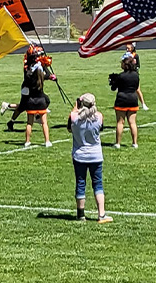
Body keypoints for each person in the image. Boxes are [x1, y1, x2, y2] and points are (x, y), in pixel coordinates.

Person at [68, 93, 112, 223]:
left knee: (80, 183)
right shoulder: (99, 117)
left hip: (79, 155)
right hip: (96, 155)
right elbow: (99, 126)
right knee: (98, 184)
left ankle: (80, 214)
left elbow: (70, 128)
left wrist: (75, 108)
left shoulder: (74, 117)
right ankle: (101, 214)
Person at [1, 44, 56, 131]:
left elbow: (45, 75)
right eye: (38, 55)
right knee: (23, 107)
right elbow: (36, 77)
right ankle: (12, 121)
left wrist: (47, 70)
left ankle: (35, 116)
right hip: (28, 89)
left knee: (45, 101)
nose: (40, 56)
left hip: (35, 89)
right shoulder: (29, 67)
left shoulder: (37, 64)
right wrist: (47, 74)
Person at [109, 52, 142, 149]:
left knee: (120, 122)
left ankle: (118, 143)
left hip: (121, 99)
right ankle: (134, 143)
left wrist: (113, 81)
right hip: (133, 99)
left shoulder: (121, 76)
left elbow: (113, 88)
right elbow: (136, 87)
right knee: (132, 122)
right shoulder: (136, 75)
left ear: (125, 65)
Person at [23, 46, 54, 147]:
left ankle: (27, 141)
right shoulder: (41, 74)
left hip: (30, 100)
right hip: (41, 100)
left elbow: (27, 73)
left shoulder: (28, 73)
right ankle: (47, 141)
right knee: (44, 122)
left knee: (29, 123)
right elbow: (47, 75)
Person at [124, 43, 149, 111]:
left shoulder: (135, 56)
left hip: (134, 74)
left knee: (137, 90)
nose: (127, 50)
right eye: (126, 48)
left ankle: (143, 104)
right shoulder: (125, 55)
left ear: (132, 48)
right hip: (127, 74)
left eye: (128, 48)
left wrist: (133, 67)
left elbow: (138, 66)